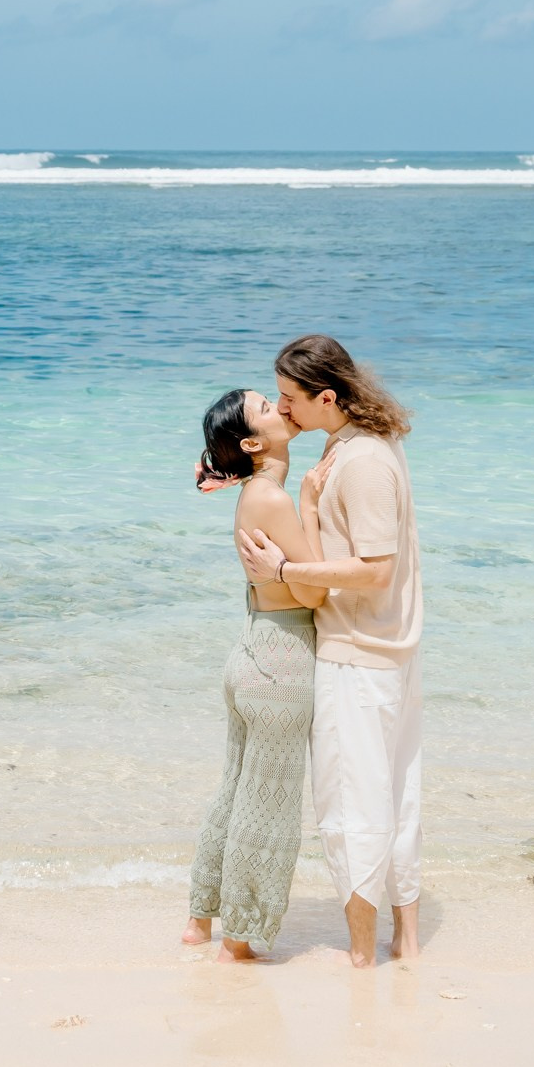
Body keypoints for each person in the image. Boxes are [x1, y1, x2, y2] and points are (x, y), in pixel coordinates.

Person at [238, 335, 422, 968]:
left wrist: (286, 570)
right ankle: (406, 942)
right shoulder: (354, 447)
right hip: (381, 649)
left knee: (351, 805)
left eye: (290, 398)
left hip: (357, 653)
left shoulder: (362, 461)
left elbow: (375, 570)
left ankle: (364, 956)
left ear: (327, 396)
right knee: (394, 793)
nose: (283, 409)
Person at [182, 388, 331, 962]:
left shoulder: (254, 490)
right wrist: (313, 507)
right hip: (282, 659)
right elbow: (313, 588)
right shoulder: (271, 497)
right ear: (251, 442)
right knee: (268, 805)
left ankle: (202, 919)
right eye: (268, 407)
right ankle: (239, 940)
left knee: (238, 790)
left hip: (252, 650)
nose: (282, 407)